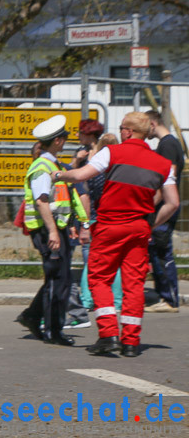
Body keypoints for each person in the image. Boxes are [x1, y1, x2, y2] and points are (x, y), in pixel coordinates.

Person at [55, 111, 180, 357]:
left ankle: (109, 335)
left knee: (99, 278)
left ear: (128, 131)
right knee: (134, 284)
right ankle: (131, 342)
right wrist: (152, 224)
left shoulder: (112, 152)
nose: (121, 131)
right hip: (139, 229)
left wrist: (59, 175)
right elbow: (173, 203)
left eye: (122, 127)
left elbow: (81, 175)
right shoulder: (163, 164)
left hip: (110, 226)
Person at [15, 115, 90, 346]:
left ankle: (32, 316)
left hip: (57, 229)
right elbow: (41, 201)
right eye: (65, 137)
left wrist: (82, 223)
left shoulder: (54, 165)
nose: (67, 140)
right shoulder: (42, 167)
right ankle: (53, 331)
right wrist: (54, 233)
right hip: (49, 231)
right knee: (59, 280)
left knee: (59, 278)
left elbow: (69, 198)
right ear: (57, 141)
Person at [144, 109, 185, 313]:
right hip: (163, 205)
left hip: (164, 206)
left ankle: (169, 299)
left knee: (161, 251)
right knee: (157, 250)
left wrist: (151, 205)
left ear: (152, 124)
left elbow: (167, 179)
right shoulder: (167, 144)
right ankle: (164, 296)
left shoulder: (168, 145)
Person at [79, 132, 123, 314]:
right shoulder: (120, 170)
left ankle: (87, 299)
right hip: (118, 217)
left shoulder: (95, 170)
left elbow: (86, 195)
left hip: (97, 217)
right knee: (117, 262)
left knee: (92, 261)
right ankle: (117, 300)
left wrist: (85, 222)